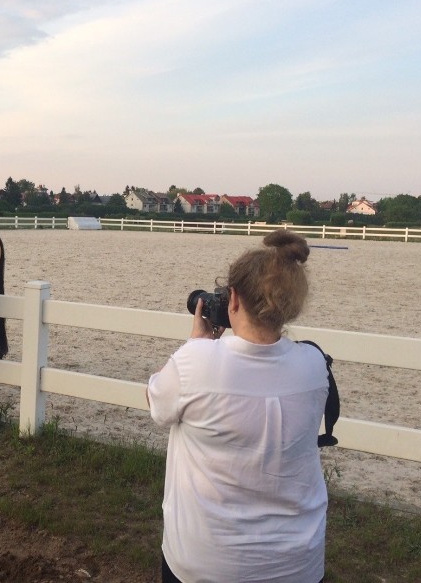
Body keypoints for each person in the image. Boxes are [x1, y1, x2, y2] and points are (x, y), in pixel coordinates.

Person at [146, 229, 329, 583]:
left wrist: (196, 344)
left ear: (232, 301)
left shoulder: (196, 361)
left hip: (206, 564)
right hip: (298, 565)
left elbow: (157, 403)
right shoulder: (314, 364)